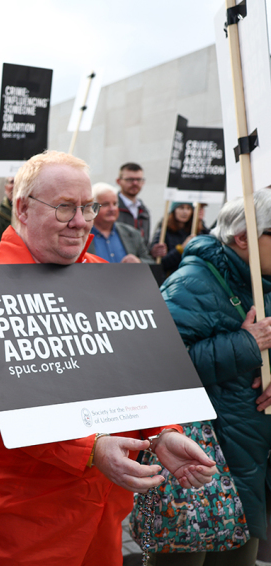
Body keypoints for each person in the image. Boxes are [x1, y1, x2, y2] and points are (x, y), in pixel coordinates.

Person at [0, 150, 217, 565]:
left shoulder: (104, 275)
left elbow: (137, 376)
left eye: (87, 206)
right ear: (22, 208)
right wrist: (89, 450)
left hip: (105, 508)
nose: (81, 221)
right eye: (64, 208)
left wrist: (164, 431)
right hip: (26, 514)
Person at [153, 192, 271, 565]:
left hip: (247, 453)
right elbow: (157, 363)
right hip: (202, 461)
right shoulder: (191, 282)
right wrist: (246, 345)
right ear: (243, 237)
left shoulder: (260, 279)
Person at [90, 183, 154, 263]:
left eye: (115, 204)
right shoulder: (82, 236)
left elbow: (151, 262)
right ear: (92, 208)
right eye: (105, 204)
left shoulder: (132, 234)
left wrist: (139, 262)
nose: (112, 209)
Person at [149, 202, 197, 277]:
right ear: (174, 210)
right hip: (170, 279)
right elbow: (161, 263)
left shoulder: (195, 231)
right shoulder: (164, 232)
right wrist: (181, 249)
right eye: (181, 208)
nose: (185, 212)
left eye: (188, 208)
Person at [115, 162, 155, 243]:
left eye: (139, 179)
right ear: (119, 181)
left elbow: (145, 245)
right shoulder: (112, 209)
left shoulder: (144, 211)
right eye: (130, 179)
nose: (135, 183)